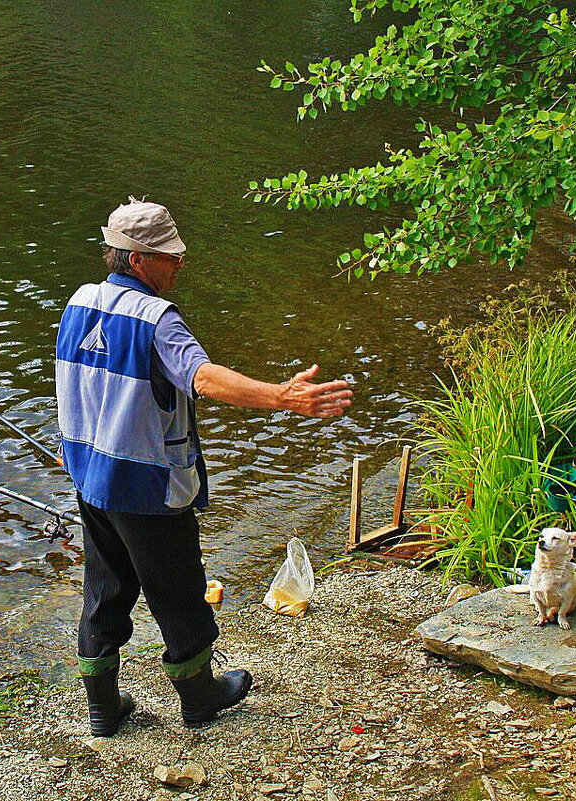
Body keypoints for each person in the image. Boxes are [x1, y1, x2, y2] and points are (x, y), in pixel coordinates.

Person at [55, 197, 353, 736]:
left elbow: (77, 382)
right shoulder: (157, 319)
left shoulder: (80, 303)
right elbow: (204, 378)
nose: (179, 264)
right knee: (179, 592)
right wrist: (281, 397)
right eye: (170, 256)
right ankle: (198, 696)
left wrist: (69, 449)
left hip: (90, 479)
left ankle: (102, 709)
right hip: (146, 485)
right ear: (138, 260)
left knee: (104, 590)